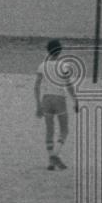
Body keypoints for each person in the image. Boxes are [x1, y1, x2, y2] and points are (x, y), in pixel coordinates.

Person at [34, 39, 78, 171]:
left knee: (49, 131)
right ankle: (54, 156)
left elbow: (36, 86)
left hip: (46, 98)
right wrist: (75, 100)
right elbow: (68, 85)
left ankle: (51, 161)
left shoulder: (42, 66)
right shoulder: (63, 66)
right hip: (59, 98)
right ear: (60, 51)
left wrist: (38, 104)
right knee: (64, 130)